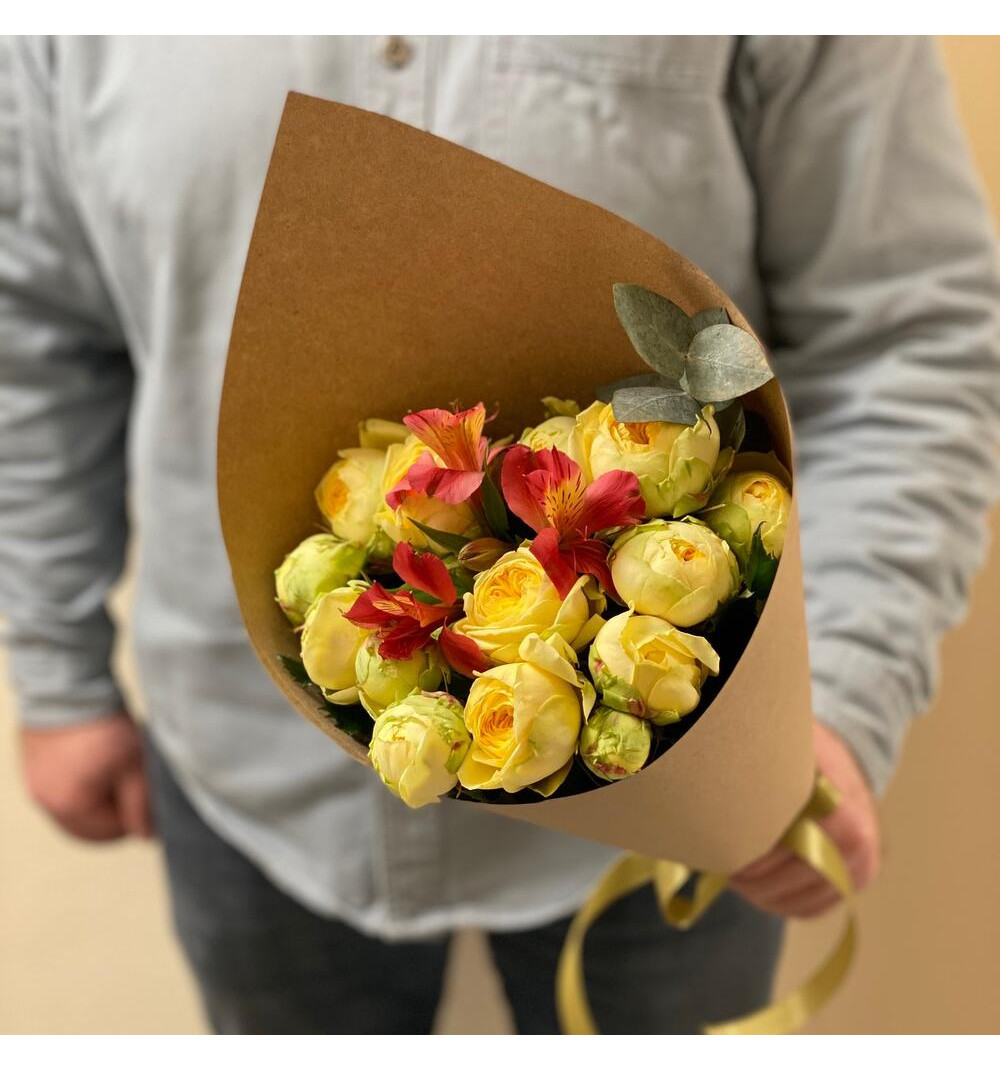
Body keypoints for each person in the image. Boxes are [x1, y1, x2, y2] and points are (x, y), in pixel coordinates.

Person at [1, 35, 998, 1035]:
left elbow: (906, 337)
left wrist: (842, 696)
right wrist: (58, 676)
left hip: (688, 794)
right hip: (241, 764)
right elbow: (33, 338)